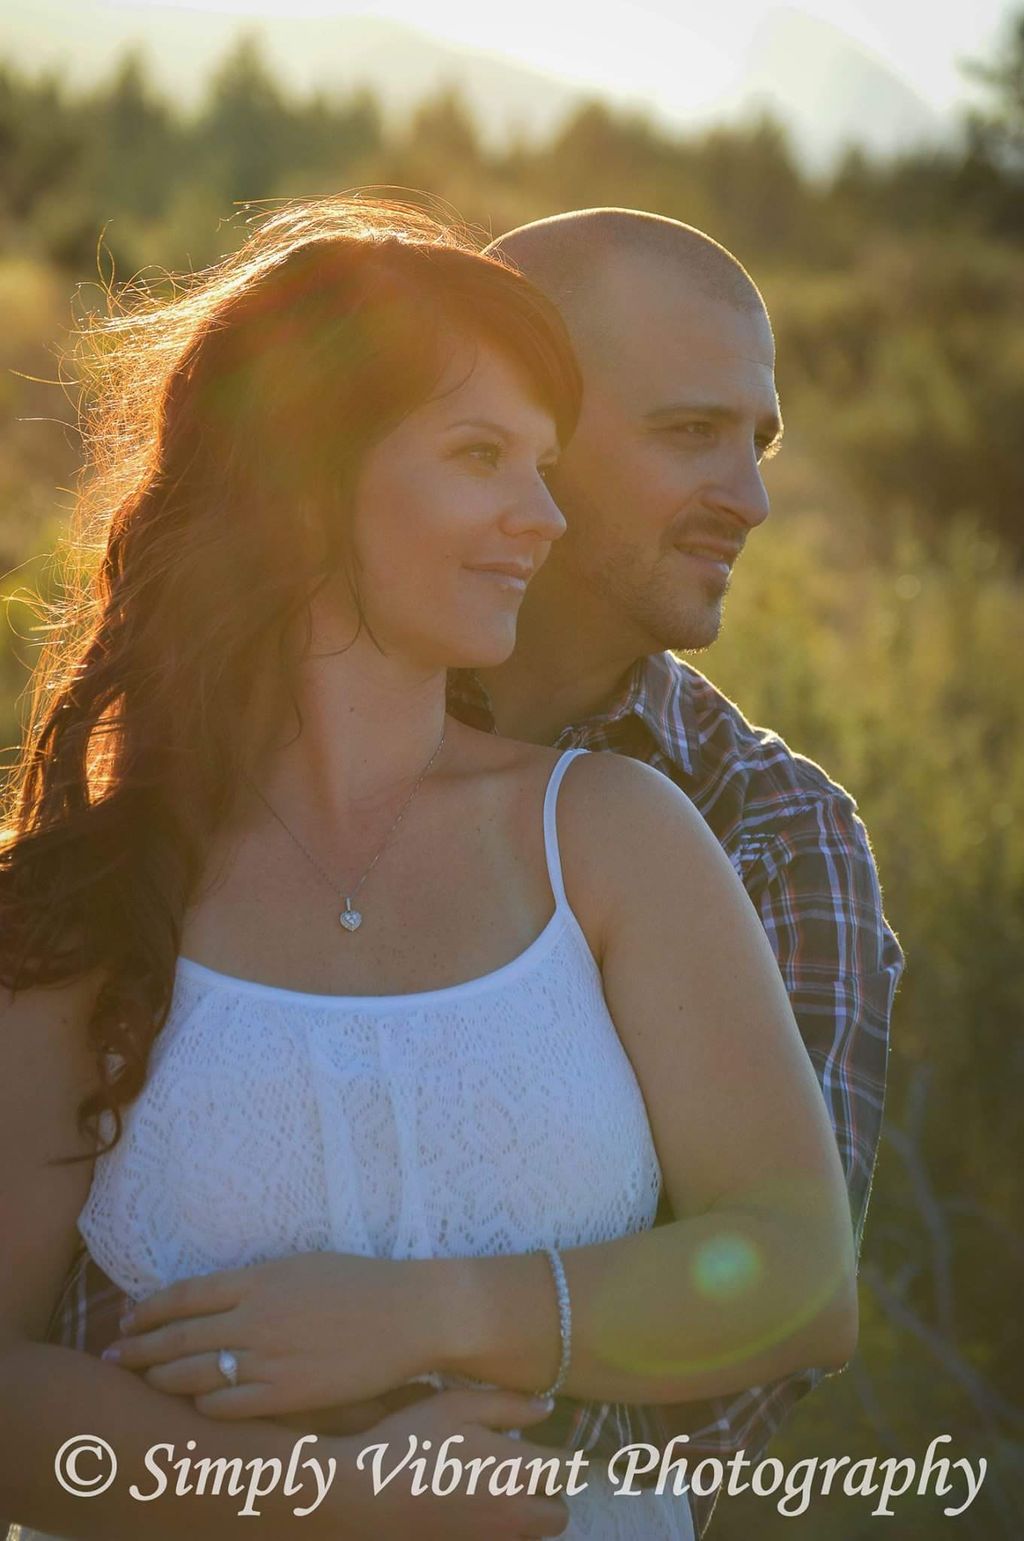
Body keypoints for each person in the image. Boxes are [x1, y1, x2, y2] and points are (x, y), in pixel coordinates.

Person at [1, 198, 858, 1541]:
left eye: (545, 461)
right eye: (482, 456)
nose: (541, 516)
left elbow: (801, 1283)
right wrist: (324, 1499)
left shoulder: (628, 832)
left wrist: (433, 1312)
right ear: (302, 479)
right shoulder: (89, 890)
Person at [454, 206, 903, 1535]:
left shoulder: (773, 832)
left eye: (757, 444)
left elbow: (757, 1348)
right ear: (518, 439)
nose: (752, 499)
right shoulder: (245, 763)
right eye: (690, 432)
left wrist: (411, 1455)